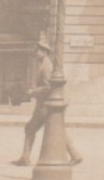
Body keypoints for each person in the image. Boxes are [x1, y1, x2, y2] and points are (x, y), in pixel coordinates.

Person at [11, 38, 81, 167]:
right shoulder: (44, 64)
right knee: (57, 129)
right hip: (47, 104)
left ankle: (25, 158)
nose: (35, 52)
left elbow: (49, 86)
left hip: (45, 105)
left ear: (43, 51)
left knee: (30, 128)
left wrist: (33, 92)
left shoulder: (46, 66)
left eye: (37, 50)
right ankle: (75, 155)